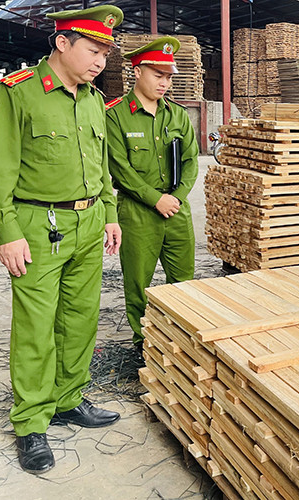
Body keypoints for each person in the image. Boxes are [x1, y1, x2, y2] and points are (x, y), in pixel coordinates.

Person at [0, 5, 124, 475]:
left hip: (88, 224)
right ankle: (30, 423)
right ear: (62, 43)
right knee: (37, 327)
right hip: (39, 227)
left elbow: (101, 166)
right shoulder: (17, 93)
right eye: (93, 49)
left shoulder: (92, 100)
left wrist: (110, 214)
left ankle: (67, 400)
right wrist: (8, 231)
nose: (100, 60)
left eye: (105, 51)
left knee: (80, 319)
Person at [106, 36, 199, 350]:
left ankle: (182, 343)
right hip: (137, 212)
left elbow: (190, 161)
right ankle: (143, 344)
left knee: (184, 282)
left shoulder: (178, 115)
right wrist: (154, 198)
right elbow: (119, 168)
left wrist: (178, 196)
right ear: (138, 71)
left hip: (176, 208)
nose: (164, 83)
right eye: (158, 75)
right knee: (138, 285)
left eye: (169, 76)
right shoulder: (116, 115)